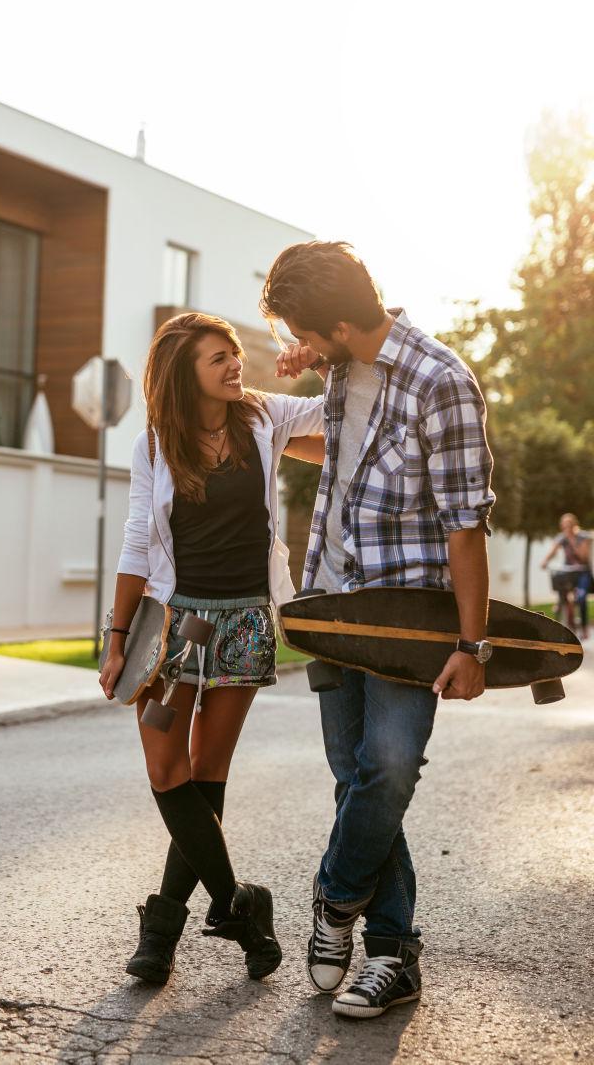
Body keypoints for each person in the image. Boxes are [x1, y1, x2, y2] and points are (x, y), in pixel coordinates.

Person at [260, 241, 495, 1019]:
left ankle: (334, 899)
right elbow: (337, 456)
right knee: (356, 779)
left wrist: (472, 645)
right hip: (330, 604)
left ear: (333, 321)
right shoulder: (334, 367)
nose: (299, 341)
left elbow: (467, 525)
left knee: (388, 768)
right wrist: (297, 361)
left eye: (301, 328)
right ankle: (393, 956)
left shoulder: (441, 382)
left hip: (404, 621)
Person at [99, 311, 324, 985]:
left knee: (206, 772)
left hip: (244, 623)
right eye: (217, 358)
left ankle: (162, 932)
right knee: (167, 768)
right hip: (173, 630)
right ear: (182, 373)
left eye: (234, 353)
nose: (234, 365)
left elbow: (331, 411)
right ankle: (238, 904)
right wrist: (115, 640)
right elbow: (139, 539)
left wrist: (319, 348)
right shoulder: (154, 446)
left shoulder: (261, 417)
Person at [541, 513, 592, 639]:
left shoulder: (583, 536)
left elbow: (584, 557)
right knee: (561, 591)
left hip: (583, 572)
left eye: (568, 525)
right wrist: (545, 561)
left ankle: (584, 628)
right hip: (568, 571)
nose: (565, 528)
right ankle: (567, 619)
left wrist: (572, 541)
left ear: (574, 524)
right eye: (563, 526)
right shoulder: (562, 538)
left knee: (581, 598)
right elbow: (553, 551)